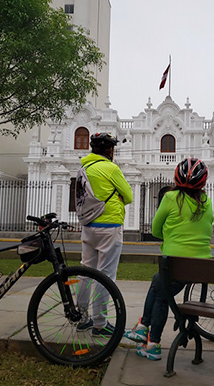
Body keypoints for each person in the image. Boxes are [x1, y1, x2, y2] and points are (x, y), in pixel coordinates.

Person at [124, 158, 214, 360]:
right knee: (158, 283)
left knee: (160, 292)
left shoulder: (171, 198)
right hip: (202, 268)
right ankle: (143, 328)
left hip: (175, 267)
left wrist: (171, 235)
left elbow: (155, 230)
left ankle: (151, 339)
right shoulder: (207, 202)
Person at [77, 132, 133, 336]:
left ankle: (81, 318)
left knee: (86, 272)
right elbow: (128, 196)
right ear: (109, 150)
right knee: (105, 276)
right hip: (109, 227)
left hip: (88, 225)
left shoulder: (84, 167)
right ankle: (100, 323)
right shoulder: (111, 168)